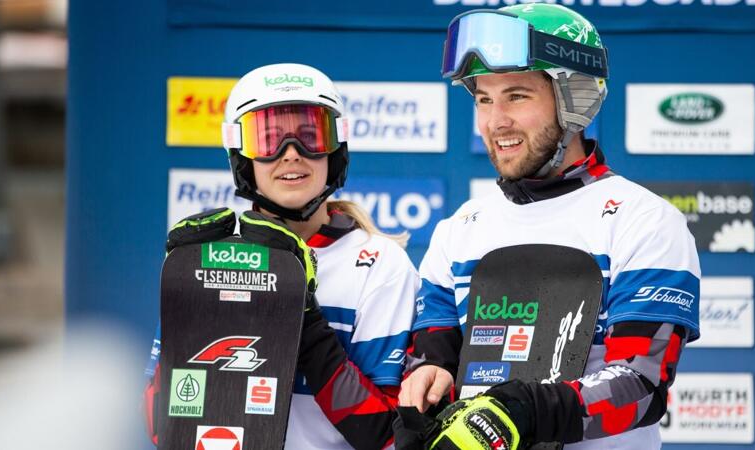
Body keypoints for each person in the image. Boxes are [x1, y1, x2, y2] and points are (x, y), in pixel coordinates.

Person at [395, 5, 700, 450]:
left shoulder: (645, 220)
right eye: (484, 99)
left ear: (574, 99)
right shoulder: (458, 230)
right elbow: (433, 354)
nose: (496, 121)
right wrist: (426, 385)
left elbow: (641, 386)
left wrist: (523, 411)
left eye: (517, 96)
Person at [143, 63, 419, 450]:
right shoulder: (215, 262)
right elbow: (162, 426)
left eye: (311, 136)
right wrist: (187, 295)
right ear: (242, 157)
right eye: (268, 140)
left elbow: (386, 435)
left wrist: (300, 316)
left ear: (335, 150)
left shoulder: (379, 264)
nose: (291, 155)